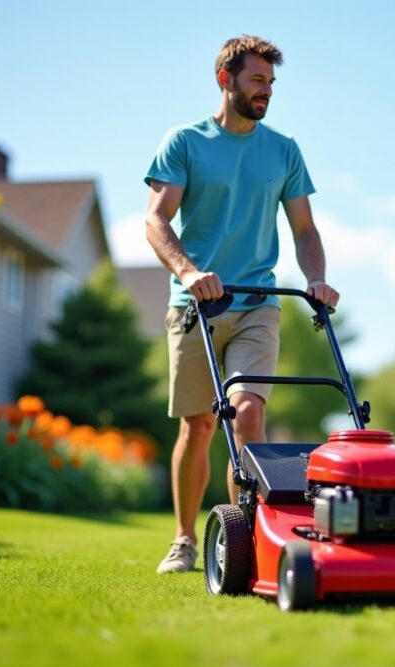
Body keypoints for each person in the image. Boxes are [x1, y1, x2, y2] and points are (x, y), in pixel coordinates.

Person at [143, 35, 339, 574]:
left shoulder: (283, 150)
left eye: (271, 83)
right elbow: (155, 220)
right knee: (199, 427)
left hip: (259, 302)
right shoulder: (184, 142)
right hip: (196, 306)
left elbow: (304, 227)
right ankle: (184, 539)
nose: (266, 92)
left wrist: (317, 280)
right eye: (257, 80)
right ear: (225, 80)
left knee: (248, 415)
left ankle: (247, 537)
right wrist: (188, 272)